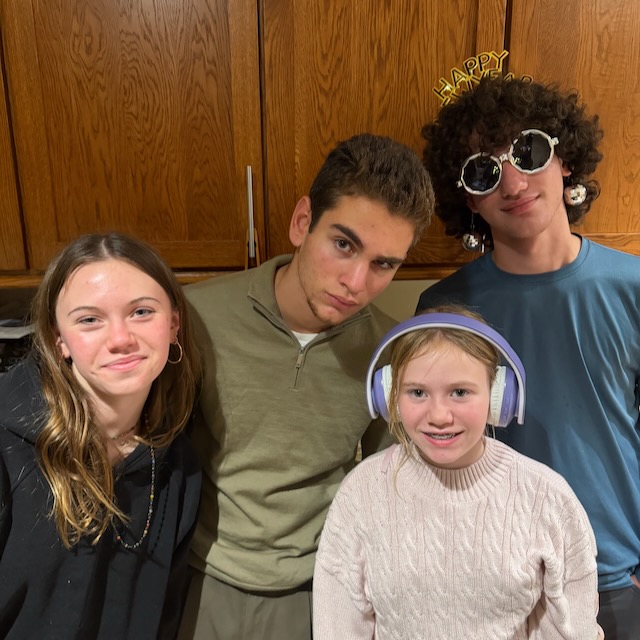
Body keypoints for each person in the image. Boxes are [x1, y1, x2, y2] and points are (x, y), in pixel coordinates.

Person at [178, 133, 434, 640]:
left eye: (384, 264)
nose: (356, 282)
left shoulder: (392, 353)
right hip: (202, 578)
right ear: (302, 223)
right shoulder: (195, 316)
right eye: (343, 245)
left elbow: (389, 487)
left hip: (323, 588)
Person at [416, 75, 640, 638]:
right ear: (469, 199)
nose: (513, 182)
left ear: (565, 159)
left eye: (528, 151)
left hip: (618, 578)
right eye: (483, 171)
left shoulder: (633, 288)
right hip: (492, 582)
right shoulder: (443, 309)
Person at [313, 307, 603, 639]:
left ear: (498, 396)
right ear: (390, 396)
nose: (439, 416)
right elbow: (337, 627)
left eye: (460, 392)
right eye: (417, 392)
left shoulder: (547, 498)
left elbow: (571, 630)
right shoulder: (361, 494)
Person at [0, 232, 202, 639]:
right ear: (59, 340)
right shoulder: (7, 448)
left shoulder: (180, 467)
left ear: (173, 324)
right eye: (89, 319)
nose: (121, 339)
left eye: (142, 312)